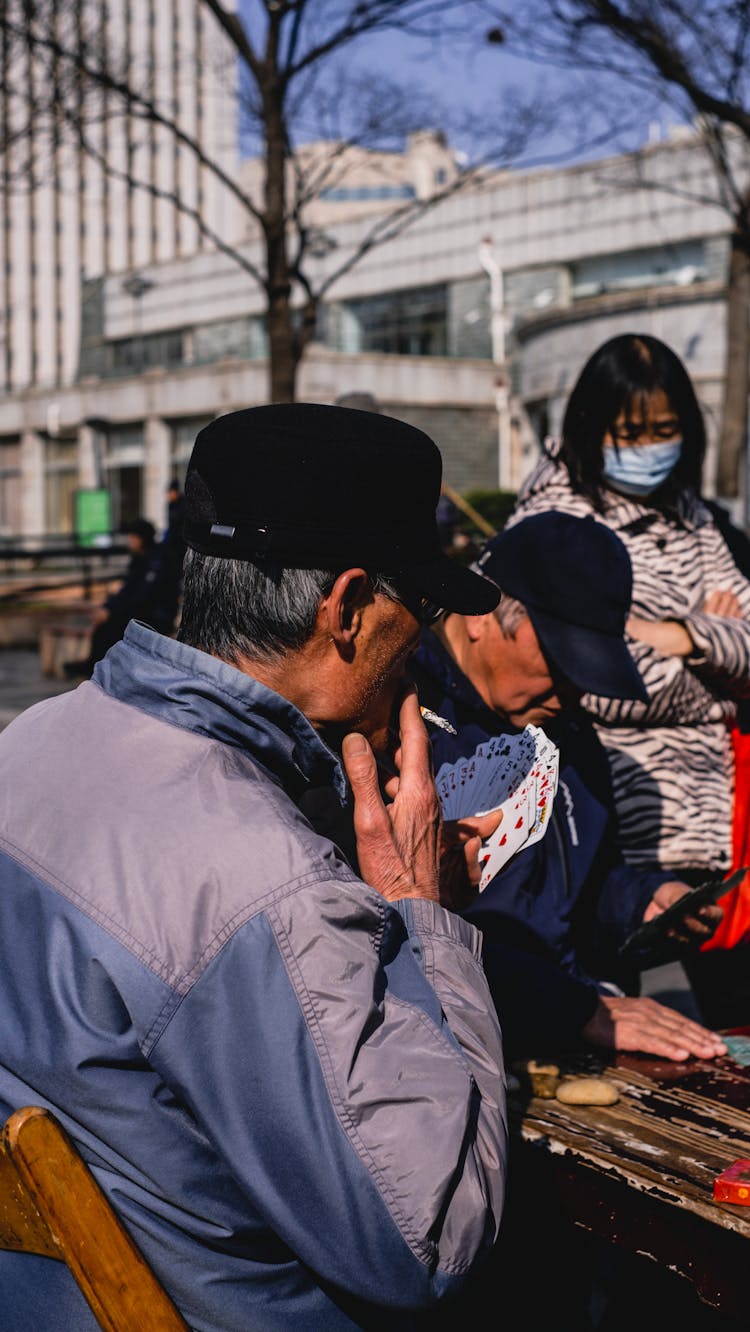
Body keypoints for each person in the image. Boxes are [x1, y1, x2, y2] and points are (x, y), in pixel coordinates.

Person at [0, 403, 507, 1331]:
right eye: (421, 614)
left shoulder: (29, 744)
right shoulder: (266, 886)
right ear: (348, 609)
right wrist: (427, 920)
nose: (425, 651)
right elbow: (431, 1242)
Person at [411, 511, 726, 1063]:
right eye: (561, 662)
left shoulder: (564, 729)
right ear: (482, 613)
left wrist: (643, 902)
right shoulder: (403, 723)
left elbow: (586, 877)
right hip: (463, 1048)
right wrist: (571, 1008)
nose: (574, 692)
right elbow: (409, 934)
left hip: (571, 1023)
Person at [510, 334, 750, 1025]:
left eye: (666, 431)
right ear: (593, 427)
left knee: (725, 1029)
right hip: (610, 815)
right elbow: (599, 679)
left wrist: (678, 635)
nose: (649, 448)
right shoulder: (556, 520)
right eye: (631, 432)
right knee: (607, 1021)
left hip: (708, 825)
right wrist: (716, 658)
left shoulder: (693, 514)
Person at [64, 516, 181, 677]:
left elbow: (142, 597)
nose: (129, 541)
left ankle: (98, 669)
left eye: (132, 537)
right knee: (106, 623)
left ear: (141, 538)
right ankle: (95, 665)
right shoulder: (141, 559)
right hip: (141, 611)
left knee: (111, 626)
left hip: (156, 616)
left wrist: (111, 612)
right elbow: (127, 591)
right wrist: (107, 607)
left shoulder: (157, 561)